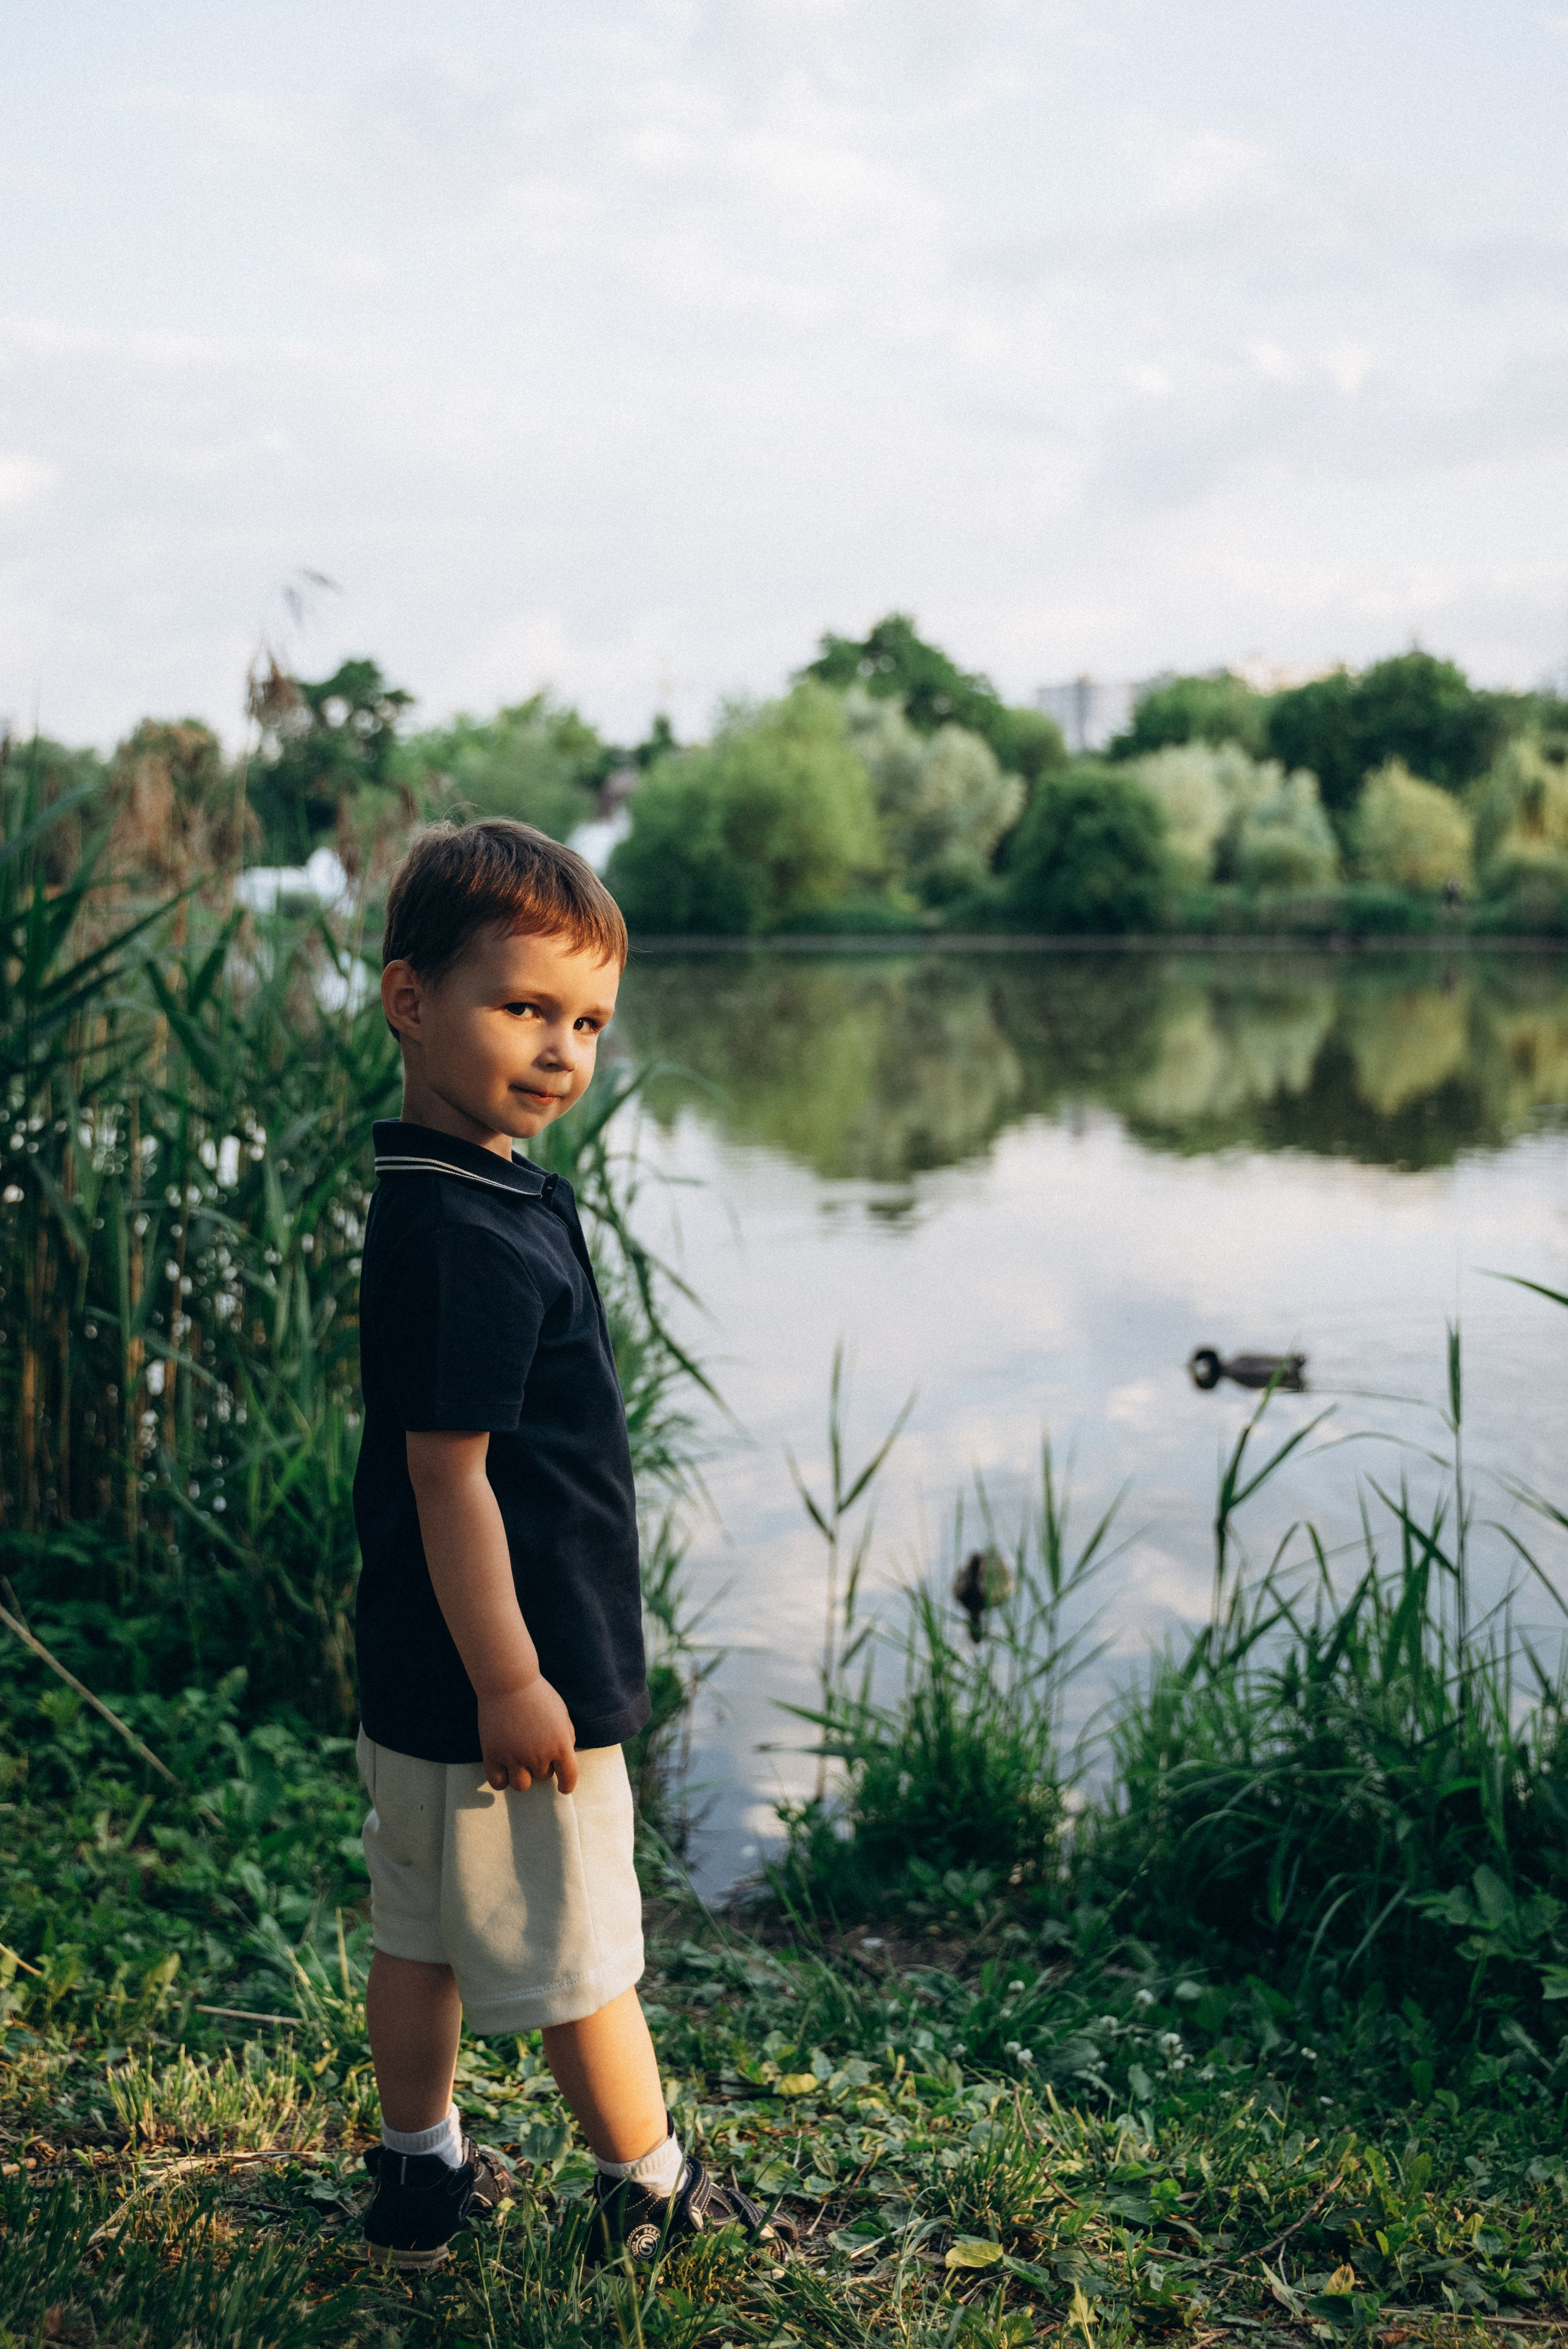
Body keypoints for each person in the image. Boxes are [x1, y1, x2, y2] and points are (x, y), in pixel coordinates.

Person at [353, 818, 786, 2271]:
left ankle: (418, 2172)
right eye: (523, 1006)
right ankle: (645, 2188)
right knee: (583, 1953)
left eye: (587, 1021)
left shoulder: (444, 1185)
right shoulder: (471, 1232)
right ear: (413, 999)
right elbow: (448, 1477)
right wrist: (517, 1679)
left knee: (418, 1929)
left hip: (424, 1666)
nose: (559, 1049)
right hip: (505, 1677)